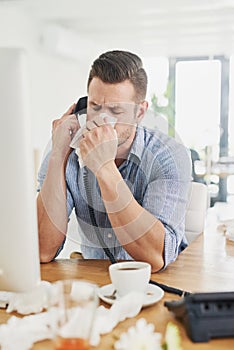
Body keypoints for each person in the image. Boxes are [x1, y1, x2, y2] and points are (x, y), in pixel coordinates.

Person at [37, 50, 191, 272]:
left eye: (116, 111)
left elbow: (155, 257)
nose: (101, 121)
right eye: (95, 107)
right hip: (97, 277)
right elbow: (42, 249)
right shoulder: (65, 147)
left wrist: (104, 168)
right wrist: (58, 155)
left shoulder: (168, 155)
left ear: (140, 112)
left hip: (162, 282)